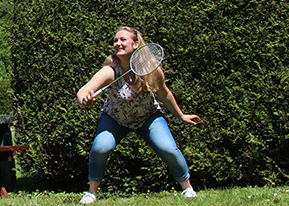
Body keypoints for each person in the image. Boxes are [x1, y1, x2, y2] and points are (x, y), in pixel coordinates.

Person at [75, 26, 201, 204]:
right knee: (100, 147)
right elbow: (84, 90)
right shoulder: (110, 71)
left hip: (148, 117)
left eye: (123, 40)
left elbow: (164, 94)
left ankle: (187, 188)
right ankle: (91, 193)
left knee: (167, 148)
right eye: (115, 40)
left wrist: (181, 116)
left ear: (135, 44)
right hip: (115, 118)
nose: (118, 43)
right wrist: (84, 99)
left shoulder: (150, 70)